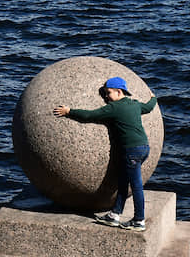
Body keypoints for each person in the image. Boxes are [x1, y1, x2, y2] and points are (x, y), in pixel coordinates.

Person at [53, 76, 157, 231]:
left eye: (108, 93)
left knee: (136, 186)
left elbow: (89, 116)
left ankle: (139, 221)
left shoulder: (113, 108)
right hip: (143, 148)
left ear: (118, 91)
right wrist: (153, 97)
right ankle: (115, 215)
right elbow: (149, 107)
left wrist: (69, 111)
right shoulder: (134, 105)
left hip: (131, 151)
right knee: (123, 181)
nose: (106, 97)